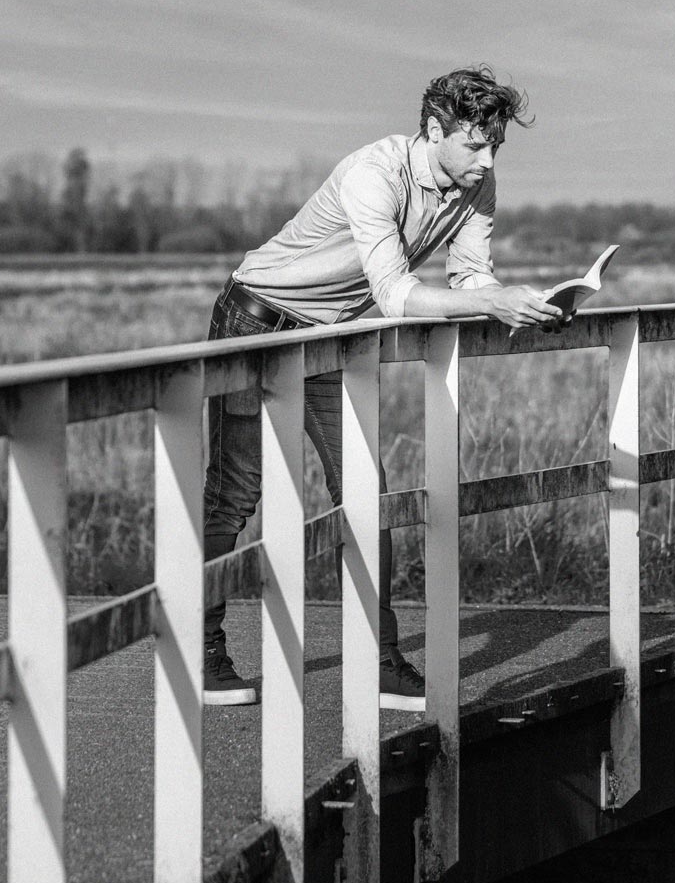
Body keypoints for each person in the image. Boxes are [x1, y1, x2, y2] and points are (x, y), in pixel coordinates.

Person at [202, 65, 565, 709]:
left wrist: (524, 300)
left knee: (367, 494)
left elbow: (471, 278)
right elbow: (395, 295)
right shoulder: (372, 173)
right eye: (475, 145)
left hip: (326, 335)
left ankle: (381, 662)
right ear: (435, 129)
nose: (485, 162)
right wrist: (490, 303)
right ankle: (201, 653)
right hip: (255, 317)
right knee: (236, 492)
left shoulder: (477, 187)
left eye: (495, 147)